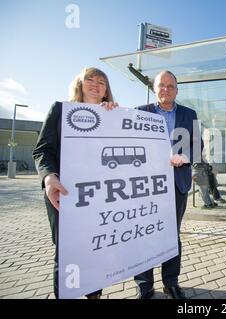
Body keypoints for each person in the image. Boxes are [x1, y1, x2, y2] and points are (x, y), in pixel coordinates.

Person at [32, 67, 117, 299]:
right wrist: (49, 177)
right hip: (64, 193)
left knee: (95, 248)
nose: (95, 84)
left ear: (106, 90)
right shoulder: (60, 110)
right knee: (68, 251)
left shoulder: (113, 115)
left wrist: (116, 117)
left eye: (102, 81)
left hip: (99, 195)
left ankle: (94, 294)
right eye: (89, 79)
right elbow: (42, 150)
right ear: (79, 84)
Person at [134, 70, 203, 299]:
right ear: (154, 88)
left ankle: (170, 282)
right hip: (145, 186)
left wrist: (186, 157)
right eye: (161, 85)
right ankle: (145, 286)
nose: (166, 89)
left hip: (176, 183)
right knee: (144, 233)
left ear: (177, 89)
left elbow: (197, 146)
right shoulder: (139, 113)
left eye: (170, 86)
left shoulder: (189, 114)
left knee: (171, 234)